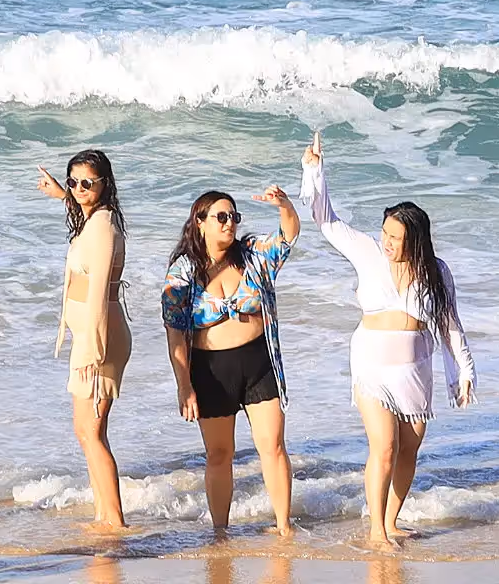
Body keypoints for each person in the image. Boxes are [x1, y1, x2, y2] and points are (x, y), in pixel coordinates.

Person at [299, 132, 475, 547]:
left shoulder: (437, 272)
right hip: (372, 366)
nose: (387, 242)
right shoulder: (367, 252)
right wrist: (314, 170)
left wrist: (464, 370)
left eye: (395, 237)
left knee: (409, 449)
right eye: (385, 233)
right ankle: (376, 530)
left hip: (415, 370)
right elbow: (327, 221)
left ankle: (392, 521)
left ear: (415, 239)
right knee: (385, 445)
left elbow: (450, 325)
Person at [161, 185, 301, 536]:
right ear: (200, 222)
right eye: (220, 217)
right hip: (211, 370)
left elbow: (288, 236)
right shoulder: (184, 272)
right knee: (220, 455)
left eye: (233, 217)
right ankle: (220, 532)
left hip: (259, 363)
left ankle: (284, 527)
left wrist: (284, 205)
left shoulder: (252, 255)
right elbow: (175, 333)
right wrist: (184, 386)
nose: (229, 223)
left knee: (273, 446)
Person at [36, 148, 132, 529]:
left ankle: (114, 520)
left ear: (104, 185)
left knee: (91, 430)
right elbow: (85, 227)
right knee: (87, 430)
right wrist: (63, 196)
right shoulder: (94, 219)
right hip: (92, 336)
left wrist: (93, 346)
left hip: (100, 338)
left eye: (86, 183)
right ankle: (103, 515)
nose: (78, 188)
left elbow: (97, 291)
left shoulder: (105, 224)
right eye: (73, 181)